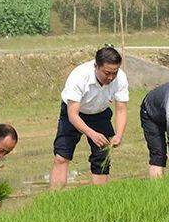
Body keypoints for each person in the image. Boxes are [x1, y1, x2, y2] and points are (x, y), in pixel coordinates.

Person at [49, 46, 129, 189]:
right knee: (62, 156)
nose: (111, 77)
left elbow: (121, 109)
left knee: (102, 157)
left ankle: (99, 198)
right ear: (96, 66)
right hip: (74, 113)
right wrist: (92, 134)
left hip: (100, 114)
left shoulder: (120, 77)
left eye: (114, 73)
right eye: (107, 73)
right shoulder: (79, 76)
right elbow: (72, 115)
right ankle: (55, 197)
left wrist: (119, 134)